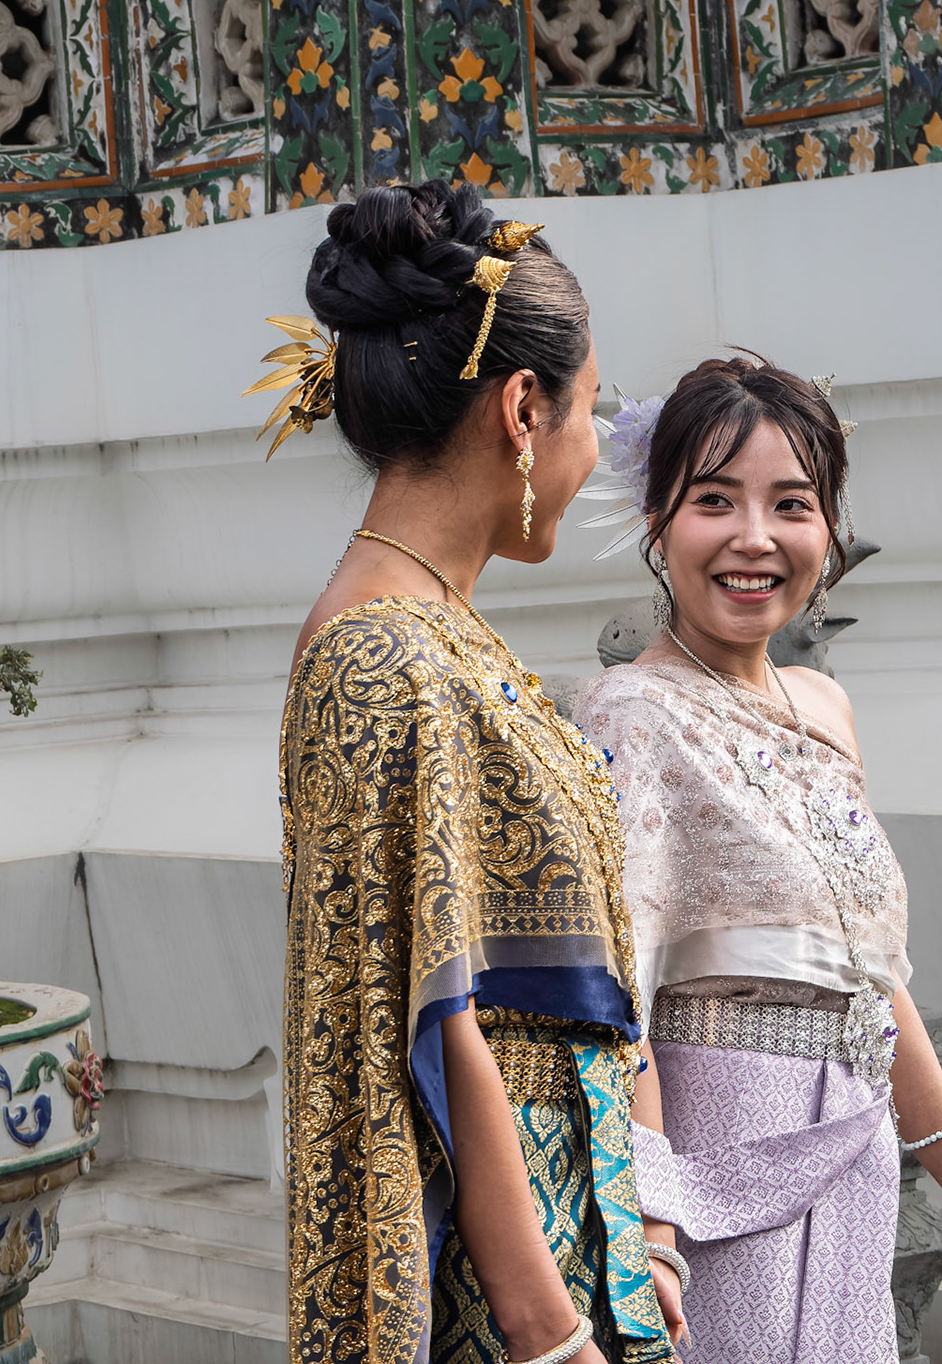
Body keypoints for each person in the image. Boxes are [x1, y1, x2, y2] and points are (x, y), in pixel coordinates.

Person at [265, 182, 674, 1364]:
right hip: (498, 1275)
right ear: (523, 407)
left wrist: (631, 1242)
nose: (596, 449)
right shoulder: (381, 652)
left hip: (573, 1224)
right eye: (590, 410)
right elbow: (433, 1016)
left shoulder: (439, 627)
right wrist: (546, 1328)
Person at [571, 358, 942, 1363]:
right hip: (719, 1162)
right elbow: (622, 988)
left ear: (827, 528)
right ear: (658, 523)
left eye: (791, 504)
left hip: (854, 1150)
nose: (754, 537)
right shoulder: (630, 714)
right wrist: (653, 1226)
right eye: (713, 501)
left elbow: (872, 979)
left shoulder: (825, 708)